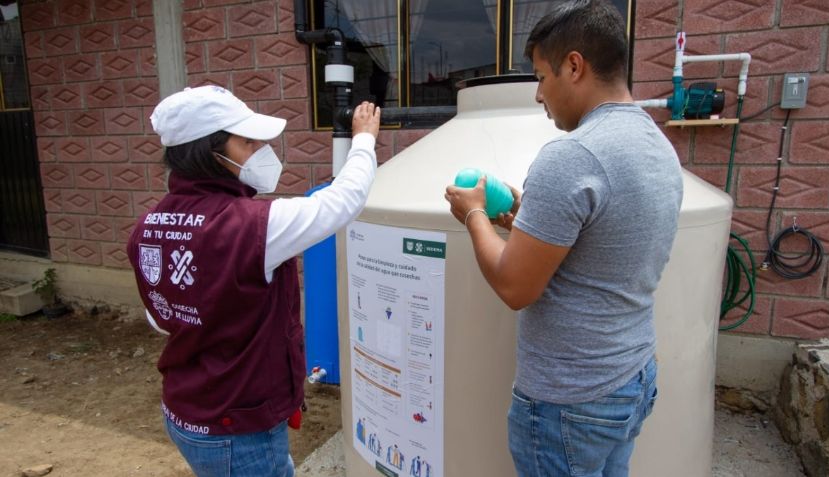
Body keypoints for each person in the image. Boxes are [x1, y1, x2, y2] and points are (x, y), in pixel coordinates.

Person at [444, 1, 683, 476]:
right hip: (630, 377)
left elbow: (515, 287)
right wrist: (526, 220)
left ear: (573, 66)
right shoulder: (658, 145)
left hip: (569, 403)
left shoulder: (572, 156)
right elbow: (603, 244)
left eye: (540, 77)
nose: (538, 95)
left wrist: (472, 214)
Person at [126, 85, 381, 477]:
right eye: (248, 142)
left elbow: (161, 319)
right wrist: (363, 140)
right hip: (237, 427)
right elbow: (342, 202)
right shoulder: (251, 226)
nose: (262, 151)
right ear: (210, 153)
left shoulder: (148, 226)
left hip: (187, 411)